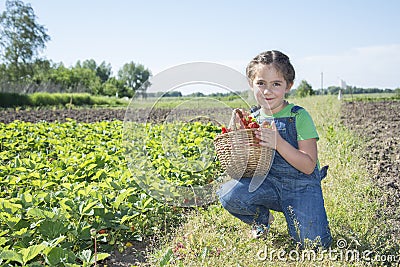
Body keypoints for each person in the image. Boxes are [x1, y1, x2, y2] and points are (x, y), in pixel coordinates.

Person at [217, 50, 332, 249]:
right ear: (251, 83)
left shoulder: (299, 116)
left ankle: (298, 210)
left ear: (289, 86)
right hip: (268, 184)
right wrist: (238, 134)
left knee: (313, 244)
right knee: (228, 194)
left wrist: (278, 142)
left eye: (276, 84)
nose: (267, 91)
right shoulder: (253, 118)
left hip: (301, 186)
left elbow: (307, 165)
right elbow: (248, 164)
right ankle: (262, 219)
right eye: (260, 83)